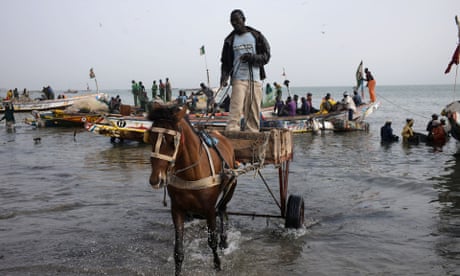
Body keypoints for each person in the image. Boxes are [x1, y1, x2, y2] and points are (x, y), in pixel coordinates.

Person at [220, 9, 270, 132]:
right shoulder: (229, 40)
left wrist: (252, 58)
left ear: (243, 19)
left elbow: (266, 56)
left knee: (253, 110)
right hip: (238, 79)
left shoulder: (256, 36)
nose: (235, 24)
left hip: (255, 79)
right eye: (232, 22)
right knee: (235, 108)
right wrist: (224, 77)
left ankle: (251, 133)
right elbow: (225, 62)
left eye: (237, 20)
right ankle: (232, 133)